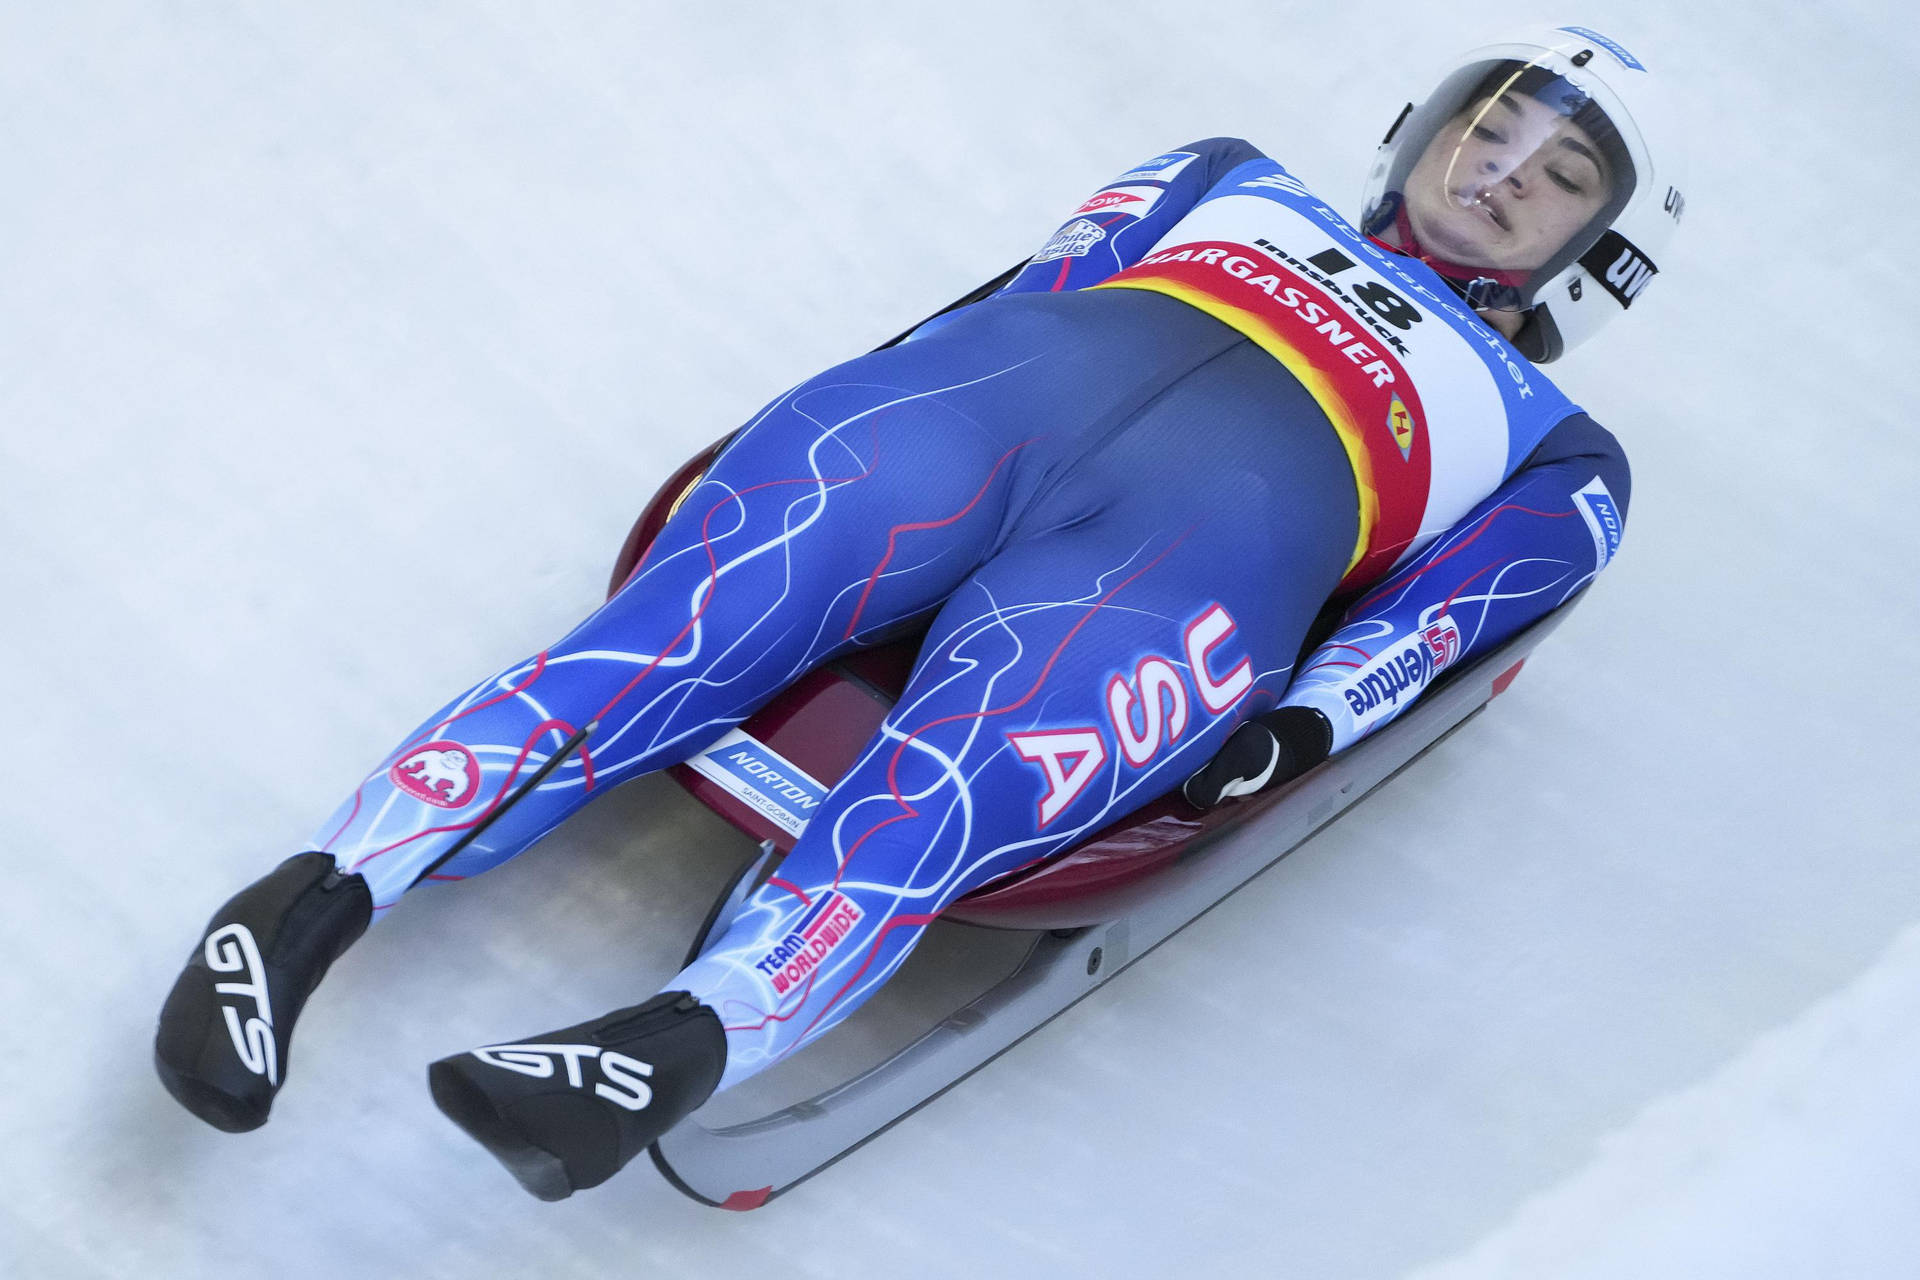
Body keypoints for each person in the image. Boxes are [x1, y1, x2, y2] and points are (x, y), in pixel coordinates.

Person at [154, 25, 1682, 1199]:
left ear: (1593, 257)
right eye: (1494, 130)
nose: (1499, 172)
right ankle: (299, 912)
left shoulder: (1558, 448)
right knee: (687, 630)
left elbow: (1427, 631)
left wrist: (1290, 732)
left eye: (1552, 178)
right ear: (1424, 127)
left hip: (1179, 567)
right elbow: (1021, 289)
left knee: (954, 781)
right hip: (970, 421)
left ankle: (668, 1048)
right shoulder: (1229, 176)